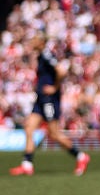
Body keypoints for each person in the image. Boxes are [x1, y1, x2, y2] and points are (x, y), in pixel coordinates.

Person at [9, 35, 90, 177]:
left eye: (34, 39)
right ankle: (27, 165)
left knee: (54, 133)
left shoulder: (47, 55)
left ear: (41, 41)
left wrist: (55, 87)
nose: (31, 41)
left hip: (49, 99)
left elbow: (61, 71)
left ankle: (81, 156)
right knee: (29, 127)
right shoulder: (41, 56)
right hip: (40, 99)